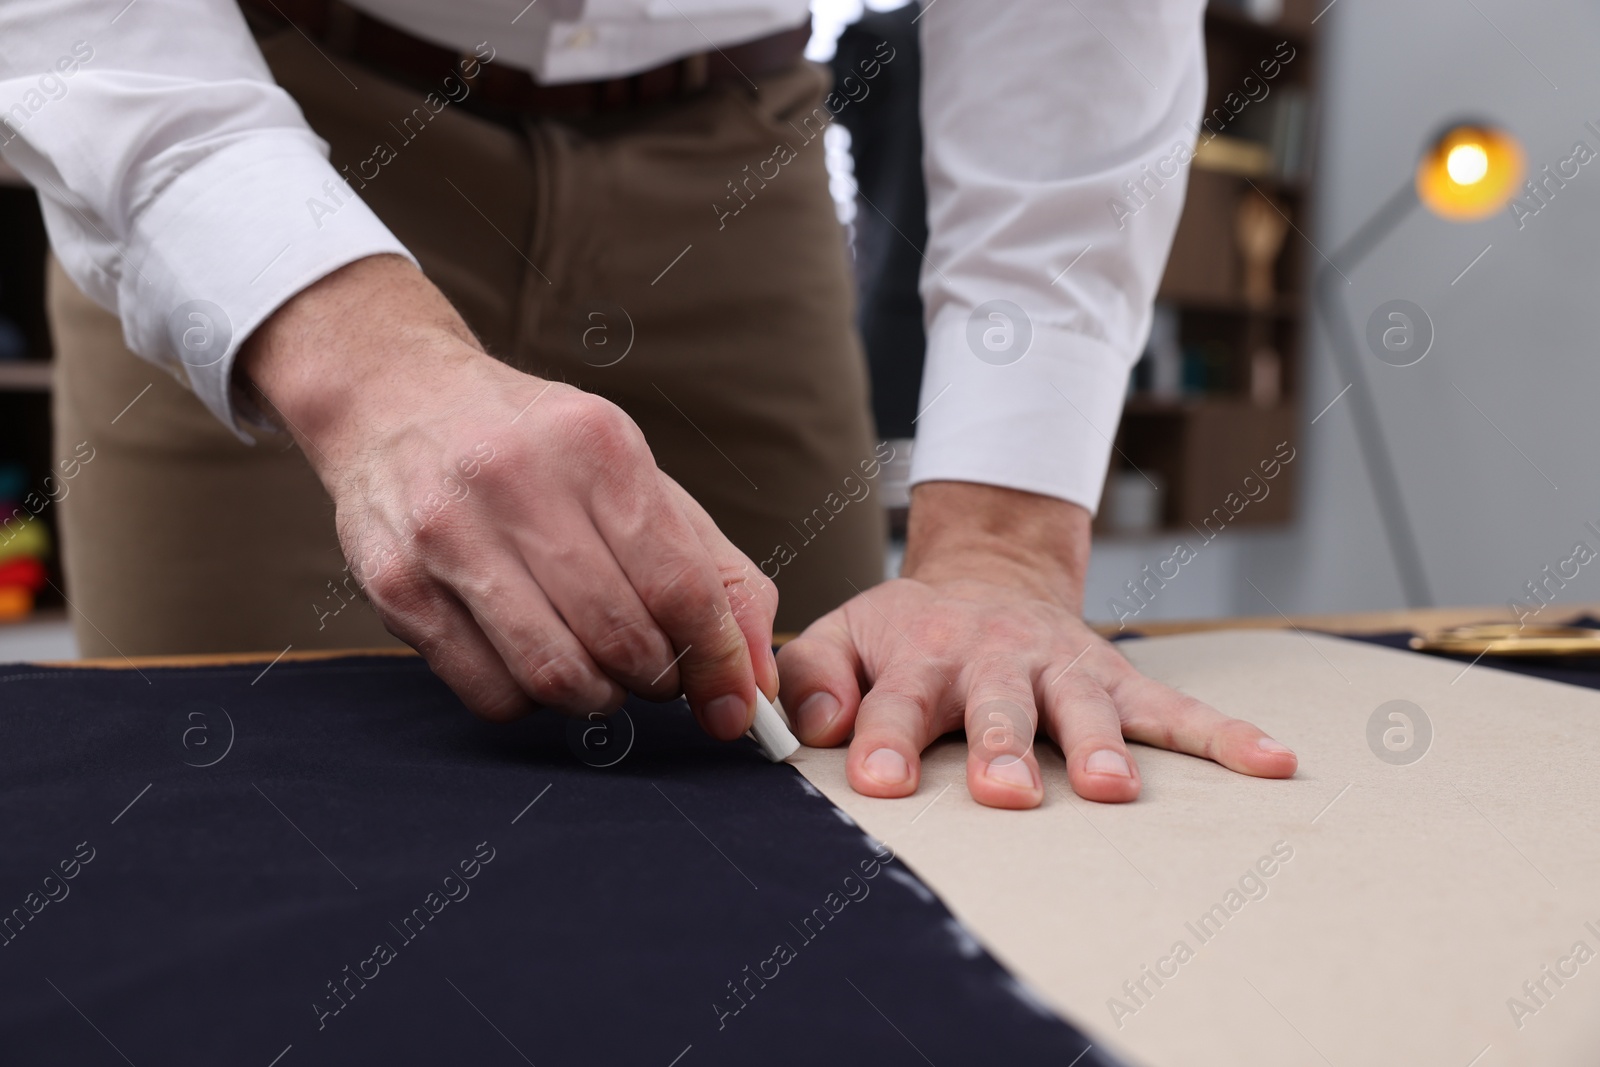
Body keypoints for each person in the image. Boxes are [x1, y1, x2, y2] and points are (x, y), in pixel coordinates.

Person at [0, 0, 1297, 810]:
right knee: (229, 833)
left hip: (735, 136)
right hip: (255, 103)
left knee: (850, 815)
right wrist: (360, 358)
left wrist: (1004, 548)